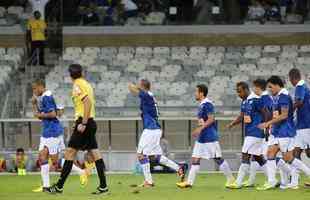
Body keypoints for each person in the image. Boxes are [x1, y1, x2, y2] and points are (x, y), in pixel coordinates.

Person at [48, 64, 108, 195]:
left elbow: (87, 103)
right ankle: (103, 186)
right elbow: (87, 104)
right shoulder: (86, 84)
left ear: (70, 75)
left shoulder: (77, 85)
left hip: (85, 123)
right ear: (82, 73)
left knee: (69, 153)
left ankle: (59, 187)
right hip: (90, 121)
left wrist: (83, 123)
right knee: (96, 154)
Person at [128, 79, 185, 187]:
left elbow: (132, 89)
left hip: (150, 129)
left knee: (141, 155)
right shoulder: (150, 95)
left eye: (140, 84)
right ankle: (179, 168)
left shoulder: (146, 95)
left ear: (143, 86)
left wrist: (131, 84)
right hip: (155, 129)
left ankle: (149, 181)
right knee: (155, 157)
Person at [257, 76, 310, 190]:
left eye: (271, 87)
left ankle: (306, 175)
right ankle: (272, 181)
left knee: (288, 158)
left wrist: (267, 123)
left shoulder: (284, 96)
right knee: (270, 153)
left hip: (285, 131)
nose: (270, 89)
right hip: (277, 131)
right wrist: (271, 125)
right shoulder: (276, 97)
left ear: (277, 85)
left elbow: (284, 115)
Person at [177, 84, 235, 188]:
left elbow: (211, 119)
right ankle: (189, 182)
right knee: (195, 159)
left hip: (209, 137)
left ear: (201, 93)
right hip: (201, 138)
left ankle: (231, 179)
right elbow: (203, 121)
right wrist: (199, 129)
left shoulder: (208, 104)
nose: (195, 94)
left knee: (218, 159)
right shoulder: (201, 105)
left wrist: (200, 128)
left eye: (196, 92)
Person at [245, 79, 291, 188]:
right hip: (273, 128)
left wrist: (267, 126)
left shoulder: (265, 97)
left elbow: (268, 112)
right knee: (269, 154)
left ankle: (287, 173)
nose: (253, 90)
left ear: (257, 87)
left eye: (254, 87)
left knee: (269, 154)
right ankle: (285, 175)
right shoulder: (267, 97)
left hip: (271, 129)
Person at [227, 82, 268, 189]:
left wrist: (267, 126)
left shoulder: (255, 99)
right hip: (250, 133)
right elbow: (242, 116)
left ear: (246, 90)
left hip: (255, 132)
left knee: (245, 155)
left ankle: (238, 182)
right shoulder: (244, 102)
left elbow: (265, 112)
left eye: (239, 91)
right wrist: (232, 123)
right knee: (258, 157)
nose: (238, 94)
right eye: (237, 92)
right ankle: (272, 178)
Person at [31, 80, 63, 192]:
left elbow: (53, 114)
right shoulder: (42, 98)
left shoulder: (47, 97)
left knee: (55, 162)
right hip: (46, 132)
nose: (34, 91)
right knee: (42, 157)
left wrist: (40, 114)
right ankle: (46, 186)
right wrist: (34, 104)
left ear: (40, 86)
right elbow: (39, 116)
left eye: (35, 89)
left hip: (52, 132)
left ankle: (81, 172)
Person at [289, 68, 310, 186]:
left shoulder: (300, 86)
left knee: (307, 153)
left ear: (292, 78)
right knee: (296, 152)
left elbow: (299, 102)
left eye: (290, 80)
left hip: (306, 125)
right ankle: (294, 181)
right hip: (301, 125)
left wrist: (288, 112)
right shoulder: (303, 87)